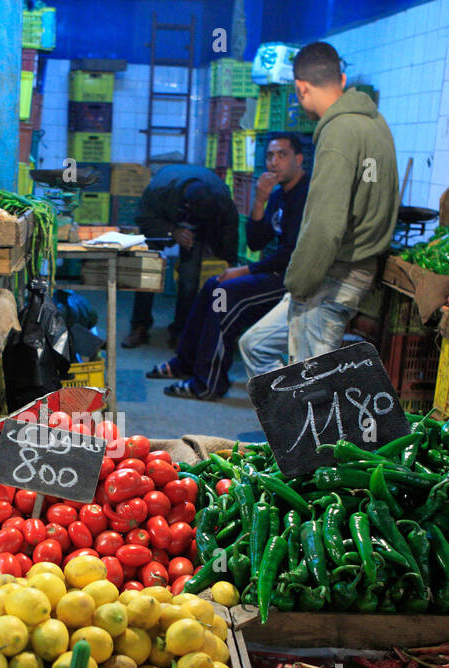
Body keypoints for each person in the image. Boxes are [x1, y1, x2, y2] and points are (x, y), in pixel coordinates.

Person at [238, 42, 398, 377]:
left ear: (300, 88)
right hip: (342, 271)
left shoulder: (339, 133)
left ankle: (306, 427)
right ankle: (287, 422)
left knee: (312, 389)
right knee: (255, 344)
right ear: (340, 78)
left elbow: (325, 225)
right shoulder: (375, 123)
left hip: (332, 277)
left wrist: (298, 282)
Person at [146, 133, 310, 400]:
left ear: (299, 159)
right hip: (275, 271)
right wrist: (259, 200)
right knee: (213, 285)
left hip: (293, 279)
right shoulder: (278, 195)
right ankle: (184, 363)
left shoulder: (306, 196)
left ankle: (208, 383)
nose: (274, 162)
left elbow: (292, 254)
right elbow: (257, 242)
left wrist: (243, 270)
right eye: (269, 156)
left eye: (282, 155)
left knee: (226, 297)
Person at [122, 164, 239, 349]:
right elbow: (144, 220)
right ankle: (139, 327)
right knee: (147, 271)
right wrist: (173, 231)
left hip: (200, 230)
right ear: (186, 205)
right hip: (162, 221)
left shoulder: (220, 197)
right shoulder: (158, 191)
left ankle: (181, 332)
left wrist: (228, 259)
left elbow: (230, 229)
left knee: (189, 279)